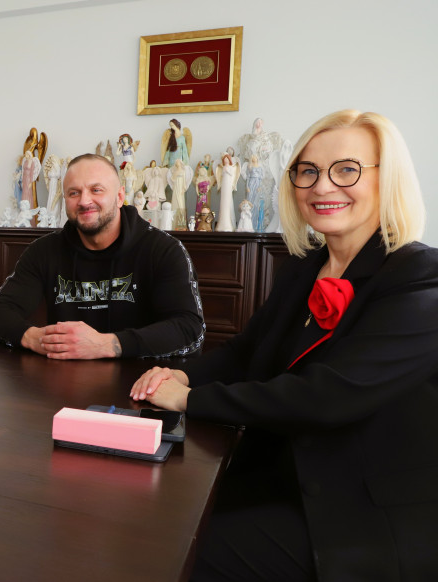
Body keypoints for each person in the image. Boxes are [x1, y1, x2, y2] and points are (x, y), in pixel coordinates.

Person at [130, 110, 438, 581]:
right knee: (145, 512)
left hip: (362, 516)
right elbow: (245, 351)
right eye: (307, 170)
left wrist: (189, 398)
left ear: (388, 178)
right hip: (280, 477)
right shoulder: (303, 267)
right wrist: (181, 374)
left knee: (172, 551)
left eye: (347, 169)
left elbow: (328, 397)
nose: (322, 186)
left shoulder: (421, 277)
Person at [0, 153, 204, 360]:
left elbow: (190, 330)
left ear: (120, 197)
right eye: (74, 193)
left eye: (96, 190)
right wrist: (34, 338)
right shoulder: (43, 251)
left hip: (140, 379)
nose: (84, 201)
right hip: (64, 380)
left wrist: (106, 344)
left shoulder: (164, 250)